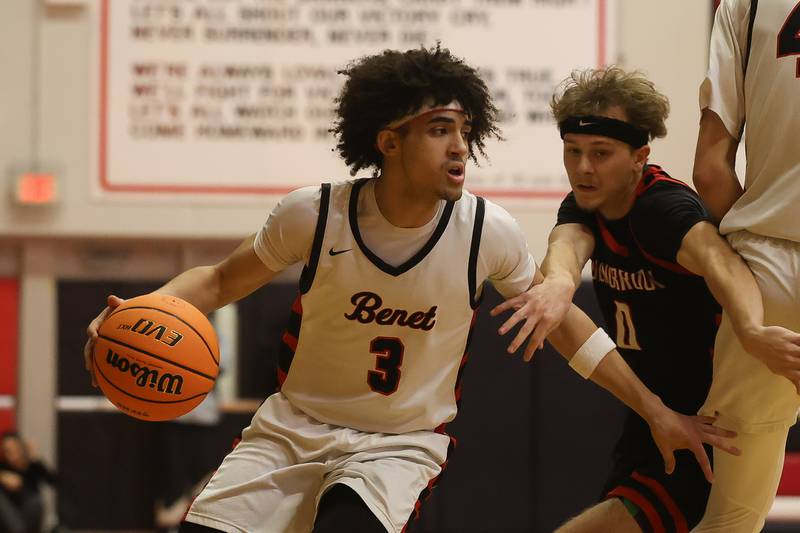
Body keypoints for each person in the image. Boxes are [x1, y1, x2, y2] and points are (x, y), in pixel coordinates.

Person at [84, 46, 734, 533]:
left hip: (395, 445)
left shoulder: (488, 231)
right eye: (439, 129)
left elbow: (569, 328)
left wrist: (654, 409)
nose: (461, 146)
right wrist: (143, 311)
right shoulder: (314, 214)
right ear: (389, 141)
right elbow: (221, 279)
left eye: (464, 131)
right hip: (290, 430)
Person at [490, 66, 800, 533]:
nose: (583, 167)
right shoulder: (586, 206)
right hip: (651, 413)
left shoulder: (661, 208)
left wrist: (754, 332)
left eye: (601, 153)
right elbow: (567, 247)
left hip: (705, 421)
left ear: (639, 157)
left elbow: (725, 265)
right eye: (572, 152)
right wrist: (556, 285)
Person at [690, 1, 800, 531]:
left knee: (733, 516)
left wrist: (750, 259)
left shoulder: (744, 2)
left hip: (765, 267)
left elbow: (710, 171)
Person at [0, 431, 58, 533]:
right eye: (7, 450)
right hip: (9, 520)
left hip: (28, 515)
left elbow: (53, 481)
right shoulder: (3, 467)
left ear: (21, 447)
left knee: (36, 501)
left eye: (14, 448)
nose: (12, 453)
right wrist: (2, 477)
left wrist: (36, 459)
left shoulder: (32, 466)